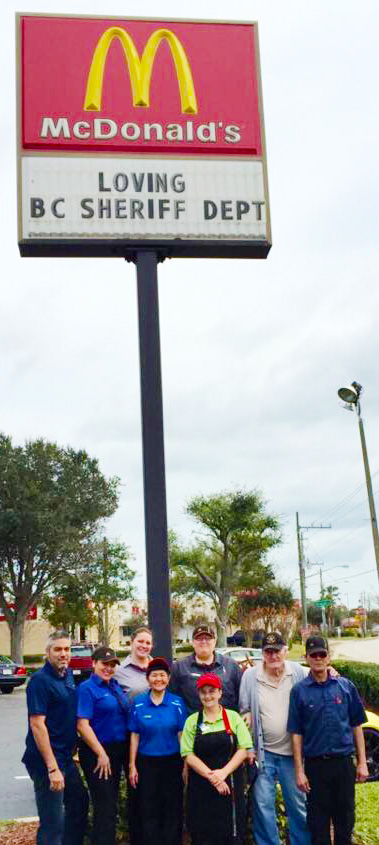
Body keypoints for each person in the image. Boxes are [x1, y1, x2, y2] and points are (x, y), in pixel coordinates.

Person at [288, 635, 369, 845]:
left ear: (328, 657)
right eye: (313, 655)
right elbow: (296, 733)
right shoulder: (299, 692)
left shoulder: (346, 687)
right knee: (318, 824)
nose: (318, 658)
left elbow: (357, 726)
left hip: (343, 764)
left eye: (322, 654)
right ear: (306, 658)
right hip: (316, 767)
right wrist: (299, 770)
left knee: (345, 820)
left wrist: (361, 762)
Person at [239, 631, 310, 845]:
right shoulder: (250, 676)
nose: (273, 656)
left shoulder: (298, 672)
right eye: (268, 652)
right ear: (262, 654)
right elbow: (245, 711)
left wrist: (332, 671)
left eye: (277, 651)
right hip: (264, 753)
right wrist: (249, 747)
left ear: (285, 651)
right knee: (263, 805)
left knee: (298, 805)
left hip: (293, 755)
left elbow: (320, 674)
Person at [22, 630, 89, 845]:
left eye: (67, 649)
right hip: (46, 762)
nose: (63, 653)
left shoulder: (67, 675)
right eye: (58, 649)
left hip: (65, 758)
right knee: (53, 824)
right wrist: (52, 769)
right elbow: (37, 724)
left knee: (79, 804)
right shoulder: (39, 682)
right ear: (47, 652)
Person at [181, 672, 252, 845]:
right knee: (203, 832)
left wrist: (223, 773)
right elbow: (188, 754)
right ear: (199, 695)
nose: (208, 696)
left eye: (212, 691)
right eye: (203, 692)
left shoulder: (233, 717)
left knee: (231, 832)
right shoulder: (192, 721)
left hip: (231, 785)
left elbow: (243, 749)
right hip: (201, 784)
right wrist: (213, 777)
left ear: (220, 693)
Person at [129, 657, 186, 845]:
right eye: (154, 675)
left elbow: (181, 734)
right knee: (148, 808)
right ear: (148, 679)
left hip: (172, 762)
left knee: (172, 807)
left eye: (162, 675)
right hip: (146, 763)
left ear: (168, 678)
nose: (158, 679)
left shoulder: (177, 703)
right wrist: (132, 766)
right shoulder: (138, 703)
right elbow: (135, 735)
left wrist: (186, 764)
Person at [77, 646, 129, 845]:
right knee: (105, 806)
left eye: (112, 665)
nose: (108, 668)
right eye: (104, 664)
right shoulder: (87, 688)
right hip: (97, 753)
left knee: (111, 803)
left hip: (117, 751)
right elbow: (82, 724)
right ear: (93, 664)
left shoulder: (114, 686)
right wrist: (101, 753)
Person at [114, 626, 153, 845]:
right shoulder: (119, 671)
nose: (144, 646)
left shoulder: (158, 667)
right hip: (132, 738)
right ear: (132, 642)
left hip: (157, 739)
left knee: (154, 792)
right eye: (140, 641)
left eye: (148, 643)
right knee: (136, 790)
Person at [170, 624, 242, 713]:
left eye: (208, 638)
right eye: (199, 639)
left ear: (215, 642)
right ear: (193, 642)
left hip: (227, 724)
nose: (203, 641)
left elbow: (242, 698)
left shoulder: (231, 666)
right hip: (192, 724)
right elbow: (172, 699)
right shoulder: (179, 667)